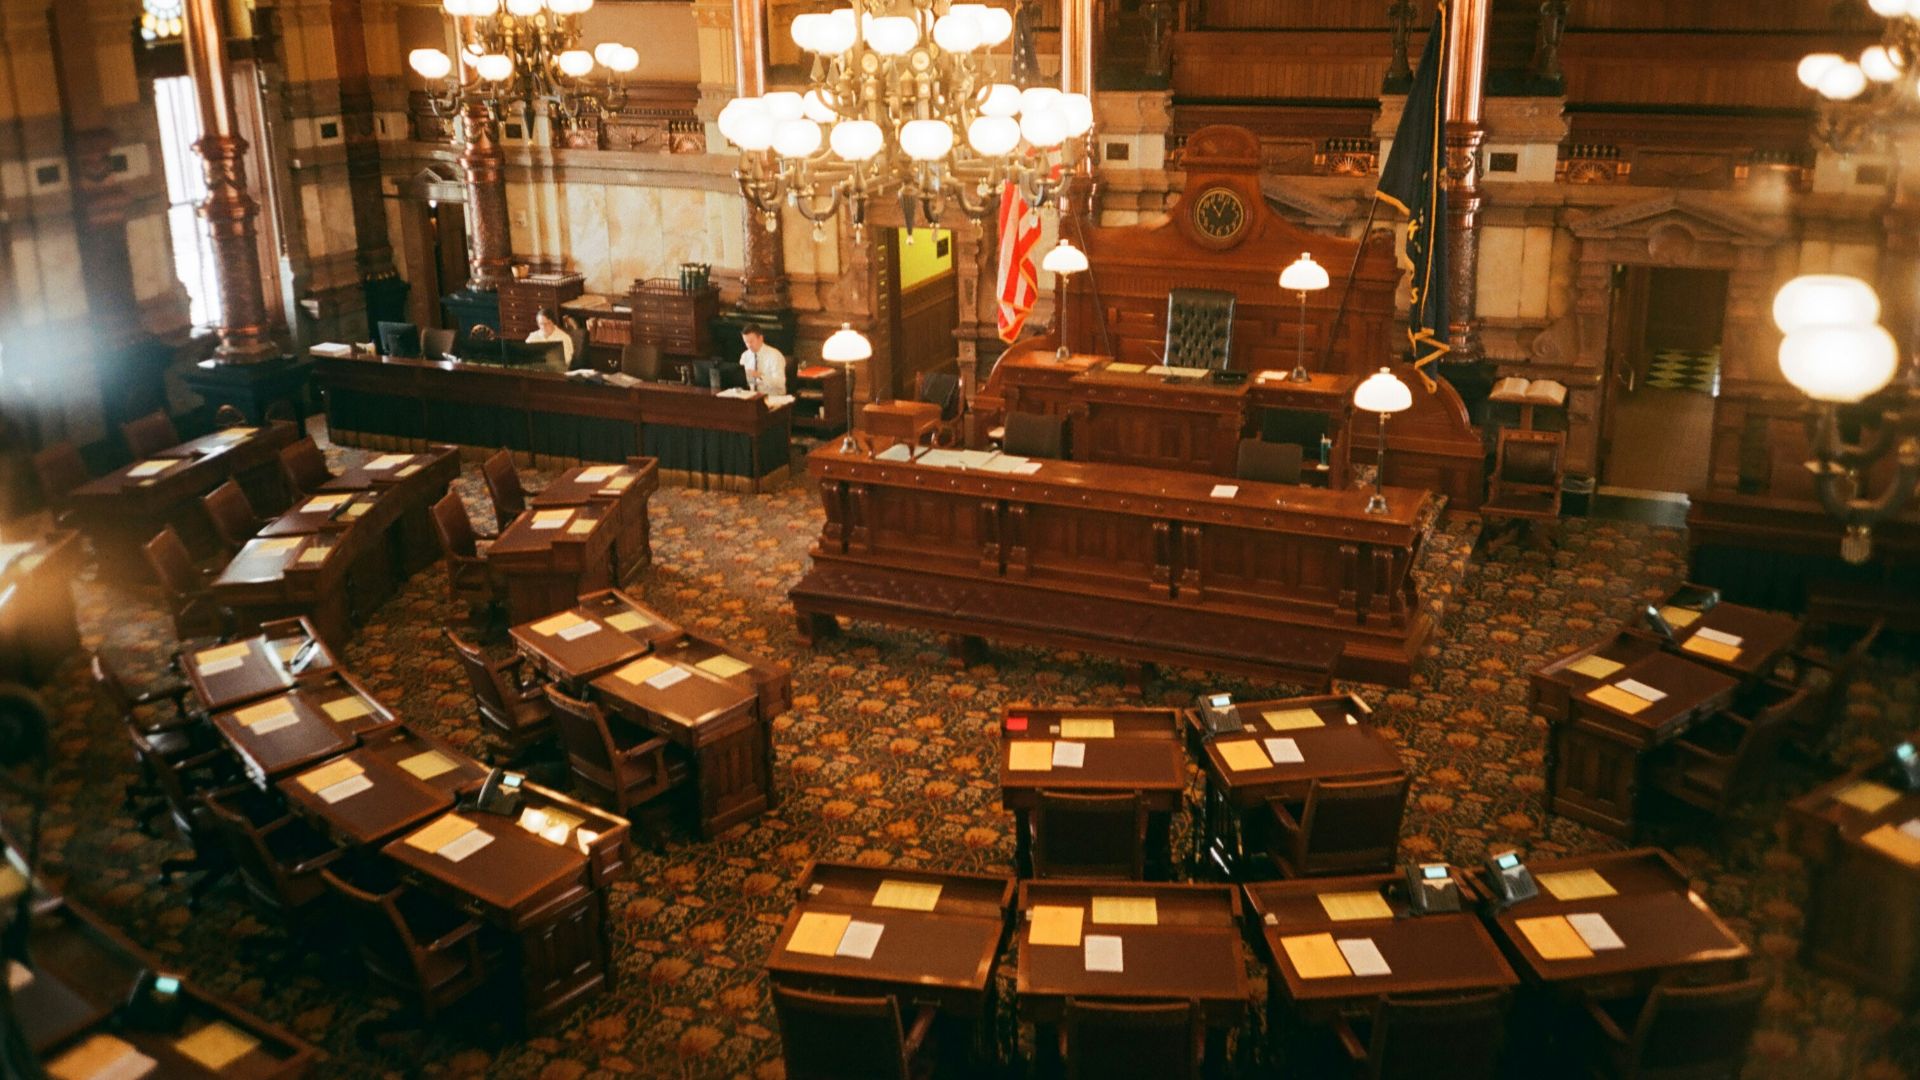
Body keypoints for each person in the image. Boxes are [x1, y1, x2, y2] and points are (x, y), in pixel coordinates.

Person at [738, 325, 787, 397]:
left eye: (751, 341)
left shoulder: (775, 355)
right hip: (752, 397)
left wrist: (760, 376)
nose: (749, 345)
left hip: (773, 397)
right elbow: (746, 382)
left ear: (760, 338)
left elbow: (780, 383)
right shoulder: (745, 356)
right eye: (746, 342)